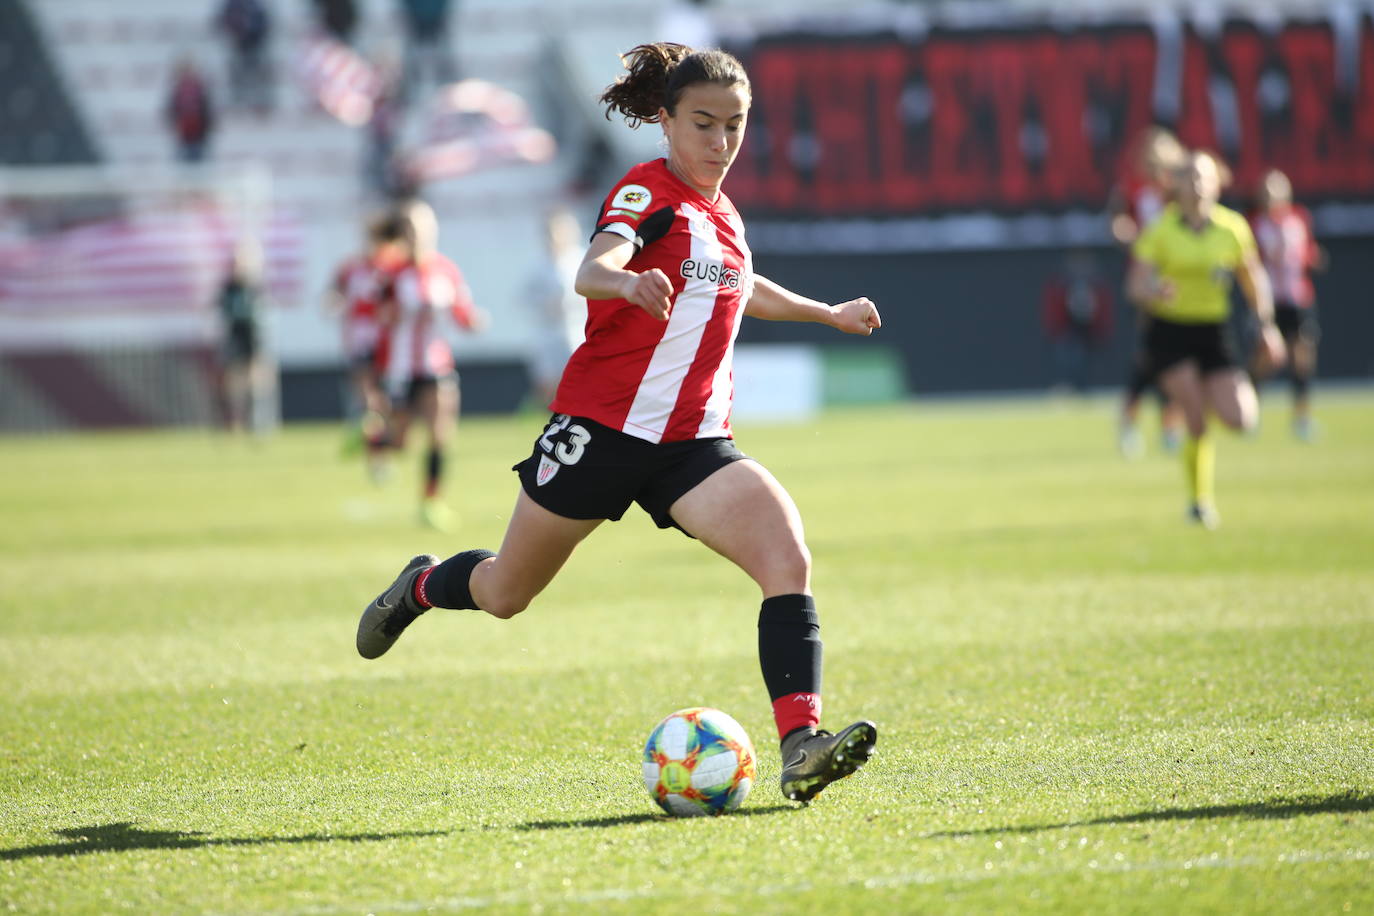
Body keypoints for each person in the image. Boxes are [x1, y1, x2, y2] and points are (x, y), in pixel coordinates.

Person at [356, 42, 881, 804]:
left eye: (735, 126)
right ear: (665, 120)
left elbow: (743, 286)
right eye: (704, 123)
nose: (721, 142)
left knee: (786, 557)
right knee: (506, 592)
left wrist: (825, 312)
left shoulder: (724, 216)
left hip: (693, 444)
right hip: (601, 428)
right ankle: (422, 588)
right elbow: (591, 268)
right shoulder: (646, 190)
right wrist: (629, 283)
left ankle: (801, 745)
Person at [1126, 150, 1285, 529]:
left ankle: (1204, 404)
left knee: (1241, 420)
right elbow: (1135, 284)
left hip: (1214, 330)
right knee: (1195, 419)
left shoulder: (1232, 228)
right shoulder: (1161, 229)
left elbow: (1253, 278)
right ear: (1176, 185)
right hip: (1170, 332)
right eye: (1190, 177)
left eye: (1204, 177)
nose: (1197, 185)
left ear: (1217, 183)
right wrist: (1153, 290)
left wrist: (1266, 323)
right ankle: (1199, 502)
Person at [375, 199, 485, 529]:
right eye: (410, 228)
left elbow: (462, 311)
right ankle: (372, 439)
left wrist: (473, 321)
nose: (417, 234)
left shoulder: (446, 270)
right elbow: (379, 316)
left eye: (422, 227)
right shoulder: (392, 275)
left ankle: (430, 502)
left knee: (440, 434)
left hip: (436, 365)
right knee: (400, 441)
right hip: (402, 368)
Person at [1108, 125, 1187, 458]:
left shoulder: (1181, 193)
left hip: (1180, 280)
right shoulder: (1134, 190)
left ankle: (1170, 422)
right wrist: (1130, 237)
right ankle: (1132, 419)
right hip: (1147, 280)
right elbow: (1118, 221)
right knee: (1150, 355)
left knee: (1177, 357)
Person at [326, 212, 409, 476]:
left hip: (390, 346)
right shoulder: (351, 268)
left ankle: (367, 439)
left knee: (386, 406)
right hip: (361, 344)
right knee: (371, 400)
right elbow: (333, 294)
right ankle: (377, 460)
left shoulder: (394, 268)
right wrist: (335, 303)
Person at [1249, 168, 1327, 441]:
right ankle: (1249, 412)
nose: (1272, 196)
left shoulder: (1299, 218)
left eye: (1277, 190)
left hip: (1298, 298)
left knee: (1302, 358)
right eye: (1267, 191)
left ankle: (1302, 417)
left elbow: (1307, 252)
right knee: (1266, 359)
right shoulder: (1256, 224)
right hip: (1270, 301)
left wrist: (1312, 257)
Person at [521, 206, 587, 408]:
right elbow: (526, 297)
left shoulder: (581, 259)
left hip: (576, 328)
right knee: (548, 382)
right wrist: (545, 304)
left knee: (578, 378)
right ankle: (553, 417)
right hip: (549, 330)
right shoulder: (540, 265)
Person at [216, 238, 274, 434]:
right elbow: (221, 311)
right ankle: (235, 421)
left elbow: (263, 311)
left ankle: (257, 419)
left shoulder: (254, 286)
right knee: (234, 379)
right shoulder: (228, 288)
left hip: (253, 335)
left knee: (256, 378)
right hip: (235, 335)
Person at [1041, 249, 1113, 394]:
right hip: (1068, 327)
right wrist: (1056, 327)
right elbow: (1054, 307)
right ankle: (1070, 386)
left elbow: (1102, 307)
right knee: (1069, 357)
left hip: (1087, 328)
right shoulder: (1062, 283)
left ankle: (1082, 388)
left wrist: (1100, 327)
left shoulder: (1095, 284)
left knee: (1084, 358)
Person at [165, 58, 215, 163]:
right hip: (184, 133)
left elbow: (206, 109)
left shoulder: (199, 88)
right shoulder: (178, 89)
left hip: (198, 132)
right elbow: (172, 109)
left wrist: (207, 128)